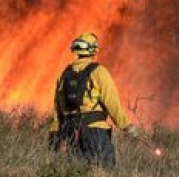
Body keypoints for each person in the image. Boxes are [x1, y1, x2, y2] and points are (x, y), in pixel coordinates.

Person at [49, 32, 140, 168]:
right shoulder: (99, 72)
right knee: (103, 172)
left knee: (77, 174)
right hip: (95, 132)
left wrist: (55, 134)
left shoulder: (64, 74)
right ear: (93, 50)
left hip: (71, 132)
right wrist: (127, 127)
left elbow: (58, 109)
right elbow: (112, 103)